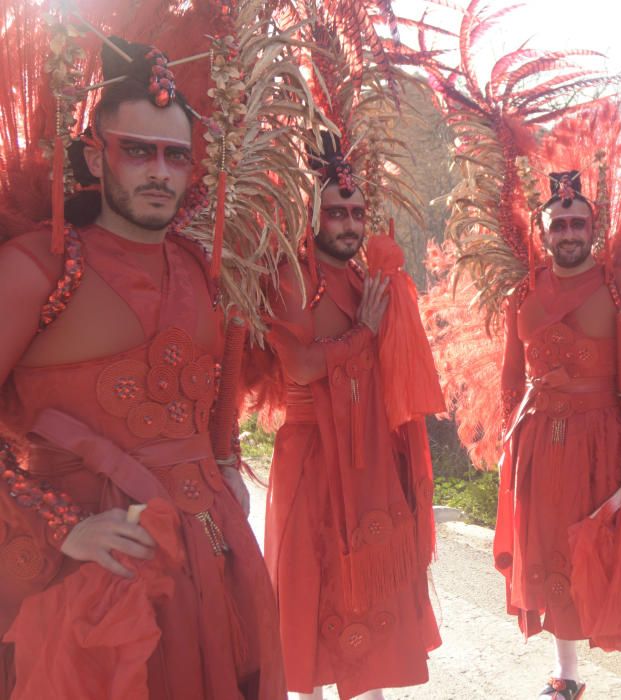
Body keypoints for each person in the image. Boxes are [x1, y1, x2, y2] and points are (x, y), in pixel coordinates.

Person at [0, 39, 285, 699]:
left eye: (175, 154)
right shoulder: (39, 268)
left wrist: (222, 464)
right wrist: (53, 526)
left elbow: (209, 399)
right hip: (94, 590)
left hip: (212, 569)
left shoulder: (198, 269)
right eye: (138, 149)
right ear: (96, 154)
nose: (159, 170)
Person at [258, 135, 441, 700]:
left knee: (366, 591)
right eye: (336, 212)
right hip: (310, 458)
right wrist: (362, 330)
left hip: (369, 460)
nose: (349, 224)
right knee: (310, 587)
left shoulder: (366, 282)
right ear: (313, 215)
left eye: (358, 213)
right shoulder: (292, 277)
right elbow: (303, 364)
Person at [495, 172, 621, 700]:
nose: (568, 231)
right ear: (545, 232)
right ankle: (566, 675)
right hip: (538, 443)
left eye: (578, 222)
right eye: (558, 223)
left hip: (605, 438)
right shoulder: (523, 293)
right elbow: (512, 375)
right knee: (550, 552)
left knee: (613, 551)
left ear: (593, 228)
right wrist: (511, 440)